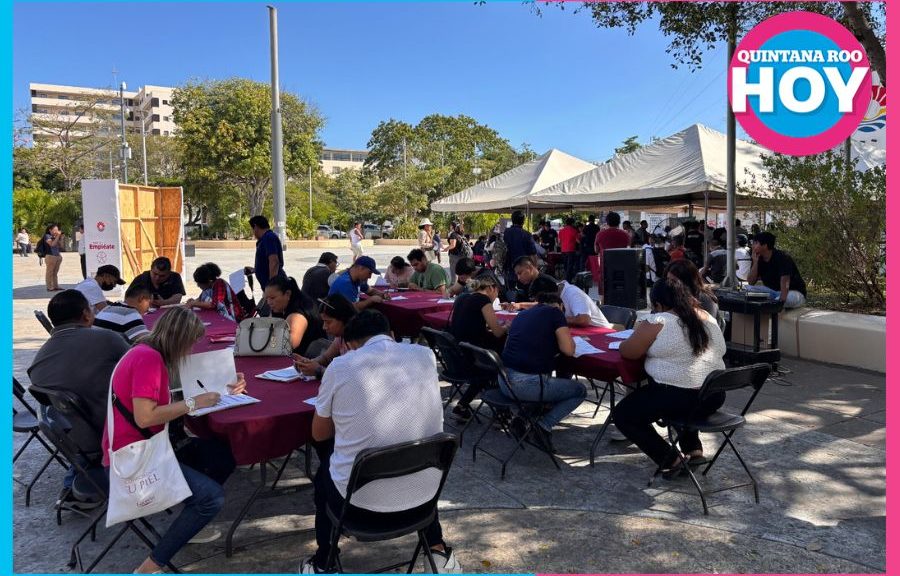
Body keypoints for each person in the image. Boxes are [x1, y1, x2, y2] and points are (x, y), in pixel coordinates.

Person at [300, 310, 462, 573]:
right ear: (392, 335)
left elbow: (319, 434)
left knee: (325, 471)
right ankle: (437, 549)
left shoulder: (341, 366)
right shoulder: (425, 355)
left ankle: (323, 561)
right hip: (424, 502)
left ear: (350, 346)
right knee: (413, 449)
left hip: (358, 511)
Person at [101, 306, 244, 573]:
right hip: (134, 458)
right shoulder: (149, 360)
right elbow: (145, 417)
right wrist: (193, 403)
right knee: (211, 498)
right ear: (180, 338)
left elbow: (162, 400)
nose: (190, 350)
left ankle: (190, 521)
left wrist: (225, 384)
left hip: (149, 448)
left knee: (221, 454)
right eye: (190, 342)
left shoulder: (145, 351)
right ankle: (150, 566)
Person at [28, 290, 131, 506]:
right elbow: (141, 369)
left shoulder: (39, 360)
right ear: (86, 314)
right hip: (110, 436)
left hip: (71, 442)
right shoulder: (107, 338)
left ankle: (74, 485)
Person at [613, 278, 727, 474]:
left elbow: (628, 351)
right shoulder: (706, 316)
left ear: (658, 304)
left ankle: (671, 459)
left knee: (623, 415)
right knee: (683, 388)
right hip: (714, 395)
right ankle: (693, 449)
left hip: (679, 397)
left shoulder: (660, 321)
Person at [500, 291, 584, 451]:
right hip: (524, 386)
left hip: (504, 380)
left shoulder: (522, 315)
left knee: (547, 380)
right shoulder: (555, 314)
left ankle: (522, 417)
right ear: (560, 306)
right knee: (579, 390)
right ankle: (543, 425)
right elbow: (568, 350)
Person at [292, 293, 358, 379]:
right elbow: (326, 357)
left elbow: (350, 376)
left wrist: (319, 370)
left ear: (343, 319)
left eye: (328, 322)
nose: (324, 327)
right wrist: (307, 363)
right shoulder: (341, 337)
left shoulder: (358, 341)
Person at [265, 275, 326, 356]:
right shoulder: (282, 306)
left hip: (306, 359)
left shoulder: (297, 315)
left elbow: (289, 345)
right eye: (267, 298)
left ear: (287, 294)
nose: (269, 302)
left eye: (272, 298)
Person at [746, 231, 807, 308]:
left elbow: (785, 282)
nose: (752, 246)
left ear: (765, 245)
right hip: (773, 292)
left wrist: (779, 303)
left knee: (777, 301)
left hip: (793, 292)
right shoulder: (758, 258)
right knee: (748, 290)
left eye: (755, 243)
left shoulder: (782, 257)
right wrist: (755, 263)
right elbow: (751, 282)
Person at [593, 212, 631, 296]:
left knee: (604, 294)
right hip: (621, 268)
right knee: (620, 292)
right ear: (619, 222)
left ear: (607, 222)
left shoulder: (600, 234)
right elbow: (629, 250)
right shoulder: (625, 234)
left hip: (605, 267)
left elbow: (596, 250)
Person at [244, 215, 285, 292]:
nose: (253, 233)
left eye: (252, 229)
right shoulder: (265, 239)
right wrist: (255, 270)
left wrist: (271, 286)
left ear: (255, 227)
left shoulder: (269, 238)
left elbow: (274, 262)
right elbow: (267, 263)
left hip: (275, 288)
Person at [502, 211, 536, 291]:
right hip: (524, 272)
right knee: (524, 294)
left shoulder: (505, 233)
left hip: (508, 269)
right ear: (523, 221)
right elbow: (533, 255)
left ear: (512, 220)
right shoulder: (527, 235)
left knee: (510, 294)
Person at [41, 224, 64, 291]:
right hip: (50, 256)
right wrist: (58, 236)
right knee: (49, 272)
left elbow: (61, 246)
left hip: (57, 256)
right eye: (55, 230)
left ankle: (56, 286)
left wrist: (61, 238)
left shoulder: (55, 236)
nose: (56, 231)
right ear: (50, 230)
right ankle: (49, 287)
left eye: (57, 230)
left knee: (55, 273)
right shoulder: (47, 236)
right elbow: (52, 244)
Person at [558, 217, 579, 282]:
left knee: (565, 266)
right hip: (571, 250)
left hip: (563, 250)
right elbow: (578, 241)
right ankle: (568, 280)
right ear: (572, 223)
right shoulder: (574, 230)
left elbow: (559, 242)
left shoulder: (561, 231)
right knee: (570, 266)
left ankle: (566, 279)